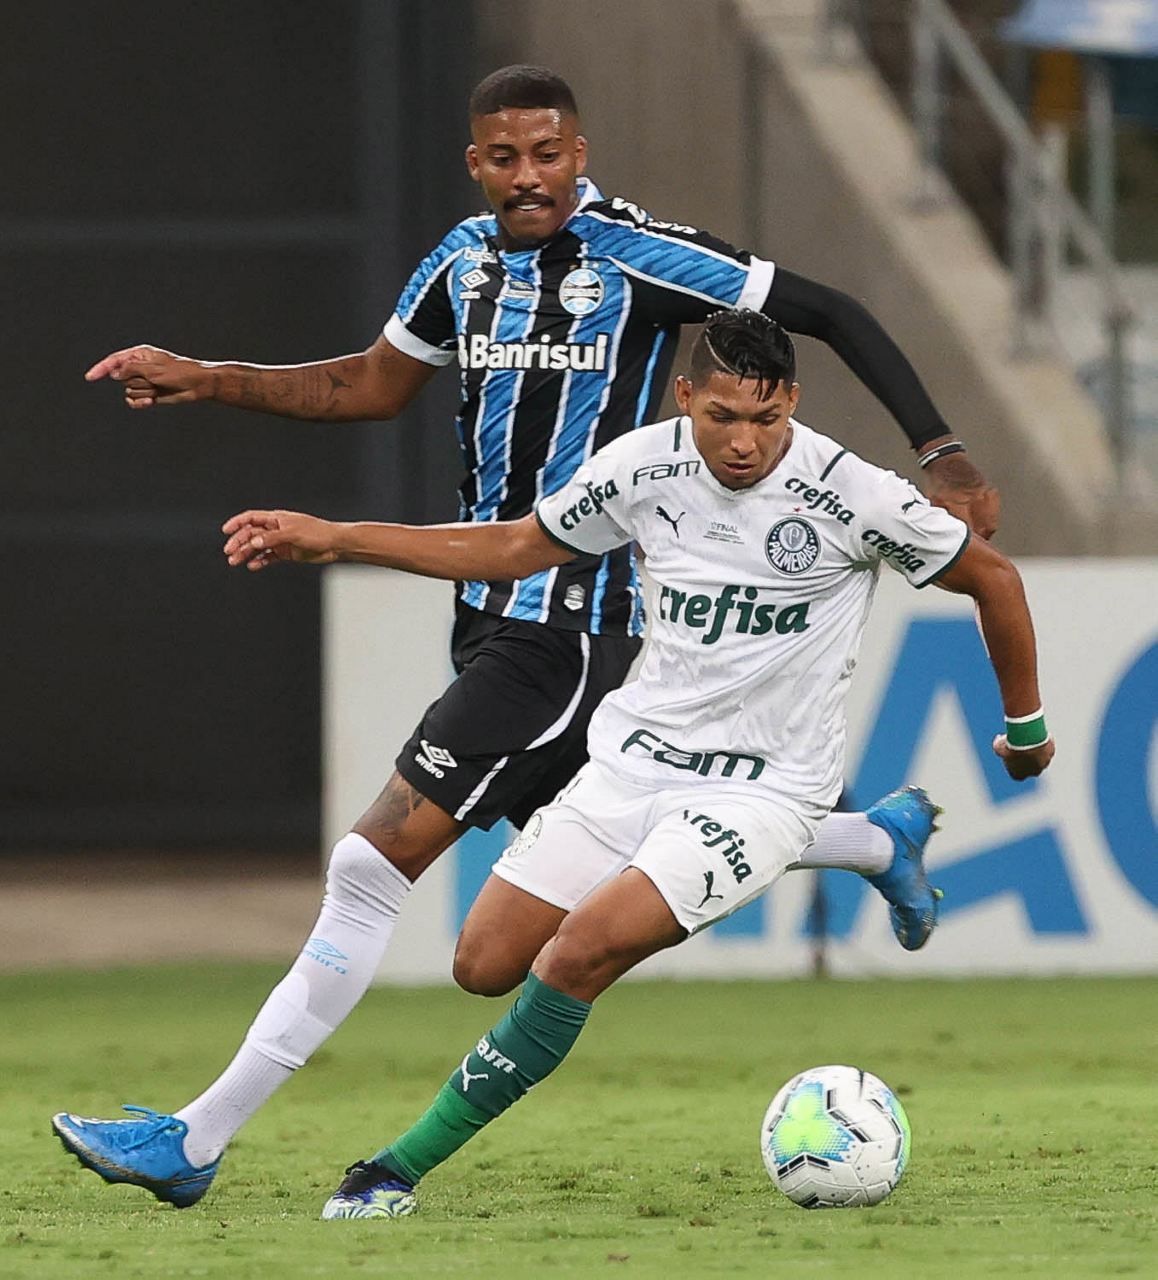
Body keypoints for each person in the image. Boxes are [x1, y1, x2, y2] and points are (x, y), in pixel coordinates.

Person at [55, 66, 995, 1208]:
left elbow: (831, 311)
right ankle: (867, 841)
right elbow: (371, 384)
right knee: (511, 934)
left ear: (578, 154)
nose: (529, 176)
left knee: (370, 865)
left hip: (575, 627)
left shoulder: (637, 255)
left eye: (548, 154)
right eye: (506, 158)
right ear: (477, 164)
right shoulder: (462, 262)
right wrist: (211, 378)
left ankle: (195, 1140)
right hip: (496, 616)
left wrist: (940, 450)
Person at [215, 310, 1050, 1218]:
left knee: (578, 955)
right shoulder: (640, 468)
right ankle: (878, 842)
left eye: (766, 418)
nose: (744, 442)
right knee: (484, 963)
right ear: (685, 396)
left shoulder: (854, 495)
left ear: (794, 402)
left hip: (764, 789)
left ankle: (391, 1172)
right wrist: (337, 536)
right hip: (631, 764)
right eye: (722, 416)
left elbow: (994, 579)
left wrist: (1028, 729)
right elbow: (515, 548)